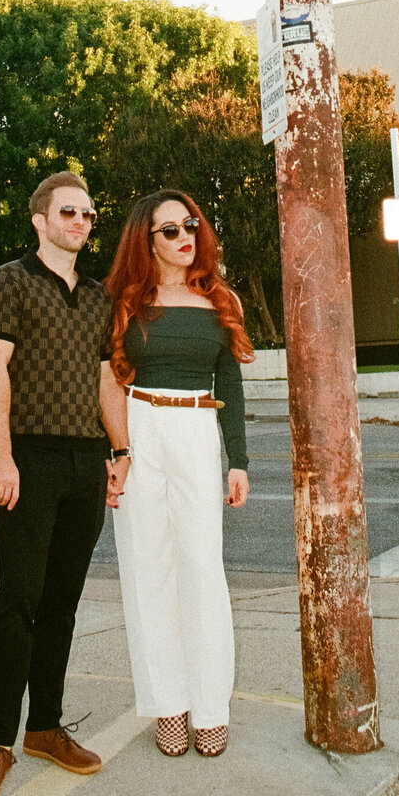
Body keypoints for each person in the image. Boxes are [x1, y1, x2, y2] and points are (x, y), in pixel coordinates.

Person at [0, 171, 131, 796]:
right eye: (68, 213)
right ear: (39, 219)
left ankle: (46, 727)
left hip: (86, 462)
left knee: (62, 603)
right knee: (19, 602)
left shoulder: (97, 294)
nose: (80, 223)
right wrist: (1, 457)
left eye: (87, 214)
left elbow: (105, 379)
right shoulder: (9, 281)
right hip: (29, 457)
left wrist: (121, 450)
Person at [105, 188, 253, 759]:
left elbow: (231, 388)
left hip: (196, 429)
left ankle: (211, 707)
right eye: (169, 230)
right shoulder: (124, 302)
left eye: (189, 224)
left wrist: (236, 460)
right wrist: (115, 454)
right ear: (147, 242)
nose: (185, 236)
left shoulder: (221, 300)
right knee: (149, 572)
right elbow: (112, 382)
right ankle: (169, 706)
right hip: (141, 431)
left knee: (203, 570)